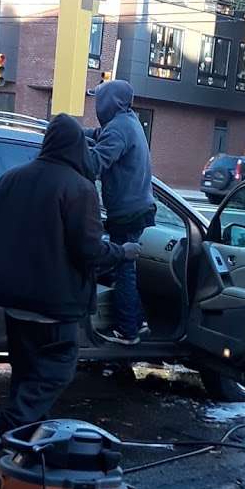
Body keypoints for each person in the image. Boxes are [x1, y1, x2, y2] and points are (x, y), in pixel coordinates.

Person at [0, 113, 140, 443]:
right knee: (59, 366)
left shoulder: (10, 179)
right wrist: (123, 253)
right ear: (77, 146)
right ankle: (8, 423)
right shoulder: (78, 188)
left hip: (13, 300)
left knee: (26, 373)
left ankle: (25, 438)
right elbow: (89, 251)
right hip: (54, 302)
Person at [85, 79, 155, 345]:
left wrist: (67, 147)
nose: (95, 105)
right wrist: (76, 133)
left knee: (124, 267)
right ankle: (139, 320)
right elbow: (100, 135)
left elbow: (94, 164)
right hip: (139, 208)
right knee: (127, 268)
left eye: (98, 99)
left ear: (109, 102)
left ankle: (128, 330)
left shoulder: (118, 130)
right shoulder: (128, 121)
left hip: (127, 212)